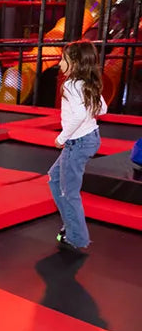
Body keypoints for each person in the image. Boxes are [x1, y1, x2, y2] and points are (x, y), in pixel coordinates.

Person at [50, 40, 107, 253]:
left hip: (77, 142)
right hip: (90, 138)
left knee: (68, 192)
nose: (59, 63)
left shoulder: (71, 85)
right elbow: (103, 109)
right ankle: (71, 224)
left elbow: (81, 115)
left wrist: (61, 138)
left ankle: (77, 238)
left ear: (74, 63)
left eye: (63, 59)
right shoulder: (85, 83)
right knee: (54, 178)